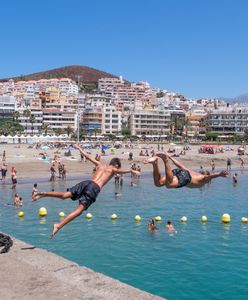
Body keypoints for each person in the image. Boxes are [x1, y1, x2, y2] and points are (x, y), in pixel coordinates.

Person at [32, 144, 140, 238]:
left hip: (87, 182)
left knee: (65, 195)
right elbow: (120, 171)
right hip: (94, 188)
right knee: (79, 211)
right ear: (116, 164)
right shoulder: (113, 169)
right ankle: (58, 225)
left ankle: (43, 194)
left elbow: (88, 157)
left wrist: (79, 148)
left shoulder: (100, 165)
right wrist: (131, 170)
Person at [144, 152, 228, 189]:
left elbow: (180, 165)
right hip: (186, 178)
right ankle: (165, 161)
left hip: (179, 172)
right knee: (169, 185)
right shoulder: (203, 179)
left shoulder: (193, 172)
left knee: (158, 184)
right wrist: (219, 174)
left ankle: (155, 163)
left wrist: (171, 157)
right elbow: (208, 177)